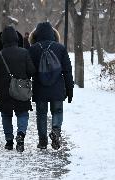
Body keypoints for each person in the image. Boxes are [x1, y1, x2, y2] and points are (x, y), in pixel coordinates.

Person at [28, 22, 74, 150]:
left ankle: (43, 142)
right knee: (57, 111)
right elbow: (67, 71)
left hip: (40, 88)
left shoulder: (32, 49)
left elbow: (29, 70)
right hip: (57, 88)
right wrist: (69, 89)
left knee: (41, 114)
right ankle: (56, 131)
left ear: (35, 35)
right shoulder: (60, 48)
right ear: (53, 34)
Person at [0, 26, 36, 152]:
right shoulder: (24, 53)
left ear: (3, 40)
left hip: (4, 92)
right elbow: (31, 71)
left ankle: (9, 141)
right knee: (22, 113)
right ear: (16, 38)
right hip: (21, 90)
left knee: (6, 115)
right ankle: (21, 135)